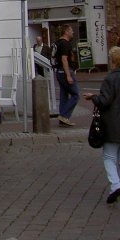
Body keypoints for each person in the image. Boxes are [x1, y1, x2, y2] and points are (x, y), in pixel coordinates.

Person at [85, 46, 120, 203]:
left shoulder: (110, 79)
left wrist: (93, 97)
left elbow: (105, 101)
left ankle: (115, 185)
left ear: (113, 61)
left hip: (113, 123)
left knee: (109, 156)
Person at [55, 24, 79, 127]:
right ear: (66, 32)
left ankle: (63, 120)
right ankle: (64, 116)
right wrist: (68, 75)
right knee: (76, 94)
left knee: (64, 95)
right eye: (71, 31)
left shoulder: (58, 43)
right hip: (65, 71)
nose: (72, 32)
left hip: (59, 72)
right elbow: (64, 59)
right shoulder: (65, 43)